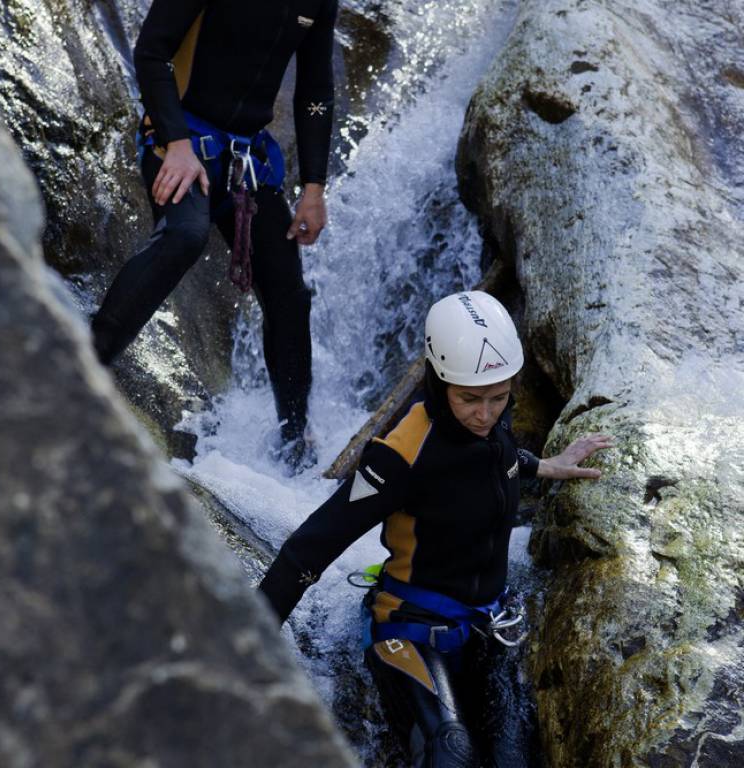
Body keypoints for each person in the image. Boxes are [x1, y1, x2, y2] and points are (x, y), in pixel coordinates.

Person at [259, 291, 614, 767]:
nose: (486, 415)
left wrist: (549, 465)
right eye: (470, 399)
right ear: (438, 378)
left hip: (485, 625)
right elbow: (310, 548)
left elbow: (498, 461)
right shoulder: (399, 454)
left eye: (499, 398)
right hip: (409, 628)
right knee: (451, 751)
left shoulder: (491, 423)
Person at [91, 0, 338, 472]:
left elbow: (315, 88)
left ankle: (294, 441)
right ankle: (84, 362)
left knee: (288, 291)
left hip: (246, 158)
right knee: (185, 234)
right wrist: (178, 144)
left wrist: (313, 188)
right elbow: (152, 52)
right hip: (177, 137)